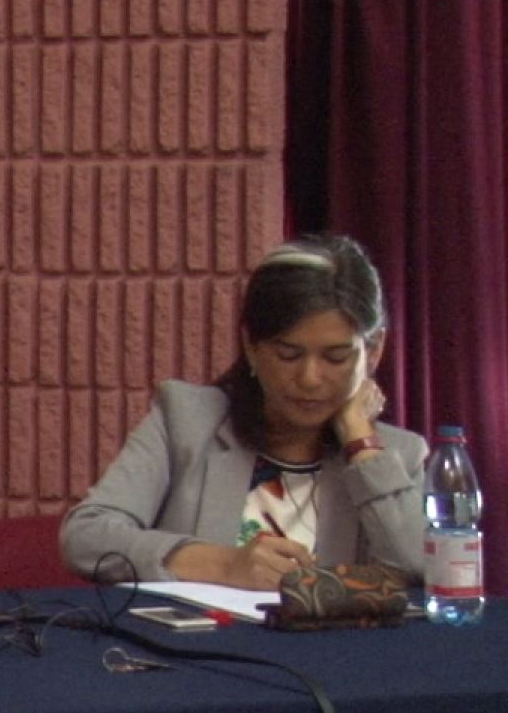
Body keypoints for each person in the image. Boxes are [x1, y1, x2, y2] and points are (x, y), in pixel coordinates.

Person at [61, 235, 426, 589]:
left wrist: (359, 440)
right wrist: (224, 565)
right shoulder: (187, 420)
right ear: (251, 346)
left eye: (336, 358)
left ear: (373, 351)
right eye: (288, 355)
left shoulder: (395, 457)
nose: (310, 378)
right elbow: (85, 536)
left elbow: (421, 568)